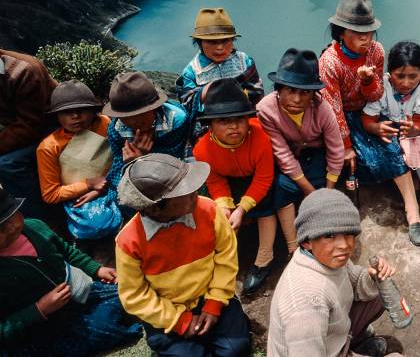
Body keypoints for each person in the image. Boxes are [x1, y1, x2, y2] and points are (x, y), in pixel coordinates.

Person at [115, 153, 249, 356]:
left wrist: (214, 303)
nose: (195, 191)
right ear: (155, 208)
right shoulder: (129, 241)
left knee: (235, 349)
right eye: (184, 191)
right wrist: (179, 321)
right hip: (167, 311)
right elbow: (135, 296)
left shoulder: (208, 209)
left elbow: (226, 256)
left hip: (210, 296)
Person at [319, 0, 420, 246]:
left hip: (371, 109)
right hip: (340, 118)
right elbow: (333, 108)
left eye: (368, 32)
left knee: (391, 148)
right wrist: (345, 146)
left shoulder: (376, 52)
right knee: (363, 158)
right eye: (357, 34)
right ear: (341, 33)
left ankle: (413, 214)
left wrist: (367, 81)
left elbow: (376, 93)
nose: (365, 39)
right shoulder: (329, 63)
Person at [0, 188, 141, 355]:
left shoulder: (35, 227)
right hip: (40, 325)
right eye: (1, 226)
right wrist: (38, 310)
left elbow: (66, 251)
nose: (10, 227)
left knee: (128, 294)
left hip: (79, 293)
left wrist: (97, 269)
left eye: (11, 216)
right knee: (97, 334)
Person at [267, 188, 403, 357]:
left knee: (382, 288)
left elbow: (355, 282)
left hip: (332, 334)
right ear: (307, 241)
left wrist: (373, 277)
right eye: (330, 235)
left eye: (349, 233)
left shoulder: (324, 256)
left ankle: (352, 340)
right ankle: (348, 349)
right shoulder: (306, 304)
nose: (344, 245)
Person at [257, 48, 345, 273]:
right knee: (282, 188)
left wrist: (326, 191)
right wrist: (308, 190)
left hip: (317, 155)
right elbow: (282, 153)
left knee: (323, 193)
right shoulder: (266, 109)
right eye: (289, 90)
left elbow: (336, 149)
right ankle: (292, 247)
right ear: (278, 90)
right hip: (290, 157)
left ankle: (320, 244)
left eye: (305, 92)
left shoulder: (322, 108)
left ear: (313, 94)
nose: (297, 99)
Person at [192, 78, 276, 295]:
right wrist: (225, 206)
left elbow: (264, 177)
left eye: (239, 119)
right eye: (223, 120)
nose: (233, 126)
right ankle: (223, 263)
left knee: (270, 201)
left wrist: (242, 209)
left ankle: (264, 258)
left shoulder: (259, 137)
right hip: (231, 181)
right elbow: (215, 180)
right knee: (215, 212)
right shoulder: (202, 150)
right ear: (210, 125)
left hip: (258, 180)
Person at [36, 80, 122, 240]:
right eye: (67, 112)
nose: (75, 116)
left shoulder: (105, 123)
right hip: (82, 193)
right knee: (97, 224)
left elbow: (119, 156)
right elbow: (50, 194)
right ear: (57, 116)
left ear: (92, 110)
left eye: (81, 110)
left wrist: (102, 188)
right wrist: (88, 184)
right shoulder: (49, 147)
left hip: (113, 180)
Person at [363, 41, 420, 218]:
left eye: (413, 76)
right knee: (386, 149)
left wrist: (414, 129)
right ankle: (409, 184)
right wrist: (375, 128)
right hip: (389, 127)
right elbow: (367, 119)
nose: (406, 83)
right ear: (390, 74)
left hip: (415, 129)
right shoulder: (381, 86)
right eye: (400, 76)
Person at [105, 72, 191, 190]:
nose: (134, 122)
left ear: (155, 108)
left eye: (141, 114)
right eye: (126, 117)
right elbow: (118, 164)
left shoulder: (176, 120)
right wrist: (132, 163)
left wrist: (144, 159)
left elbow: (177, 159)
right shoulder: (116, 130)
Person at [0, 49, 57, 220]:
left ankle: (38, 221)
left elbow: (29, 126)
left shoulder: (24, 71)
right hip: (17, 123)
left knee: (8, 164)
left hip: (50, 123)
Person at [177, 7, 264, 115]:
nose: (219, 47)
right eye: (212, 42)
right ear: (200, 43)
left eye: (225, 40)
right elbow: (188, 105)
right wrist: (204, 92)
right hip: (210, 123)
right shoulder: (193, 71)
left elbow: (257, 93)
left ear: (232, 40)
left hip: (245, 116)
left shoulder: (244, 61)